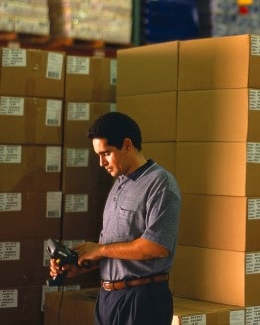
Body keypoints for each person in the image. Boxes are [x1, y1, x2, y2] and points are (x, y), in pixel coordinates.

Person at [49, 111, 181, 325]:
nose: (101, 162)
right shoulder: (119, 184)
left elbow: (156, 246)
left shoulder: (160, 183)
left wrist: (99, 249)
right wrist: (81, 265)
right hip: (109, 298)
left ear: (127, 145)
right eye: (98, 155)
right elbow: (116, 248)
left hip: (142, 300)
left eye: (106, 153)